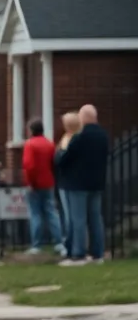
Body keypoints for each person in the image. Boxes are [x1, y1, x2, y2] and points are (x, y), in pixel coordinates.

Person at [58, 104, 110, 265]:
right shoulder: (103, 136)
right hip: (96, 182)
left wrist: (60, 154)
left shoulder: (79, 137)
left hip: (77, 183)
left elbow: (64, 159)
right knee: (95, 218)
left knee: (78, 219)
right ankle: (98, 253)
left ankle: (78, 253)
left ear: (83, 118)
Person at [22, 119, 65, 258]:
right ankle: (59, 242)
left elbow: (29, 166)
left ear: (30, 130)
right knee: (52, 212)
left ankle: (36, 245)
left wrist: (30, 183)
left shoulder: (30, 144)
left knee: (35, 214)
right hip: (49, 182)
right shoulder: (49, 144)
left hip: (35, 184)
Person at [55, 111, 80, 254]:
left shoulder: (70, 140)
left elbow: (61, 160)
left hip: (68, 182)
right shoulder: (69, 138)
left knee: (70, 216)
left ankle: (70, 245)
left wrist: (58, 154)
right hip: (66, 182)